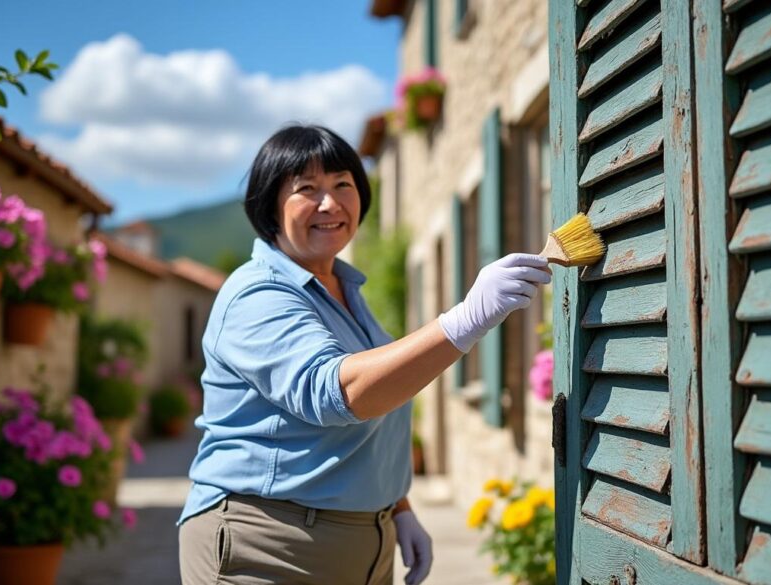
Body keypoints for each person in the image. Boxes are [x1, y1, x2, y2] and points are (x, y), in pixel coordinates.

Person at [177, 124, 551, 585]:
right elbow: (338, 393)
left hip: (363, 543)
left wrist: (398, 506)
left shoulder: (343, 292)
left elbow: (377, 409)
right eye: (306, 189)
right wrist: (465, 319)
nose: (329, 203)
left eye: (342, 185)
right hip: (267, 545)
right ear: (270, 205)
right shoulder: (257, 294)